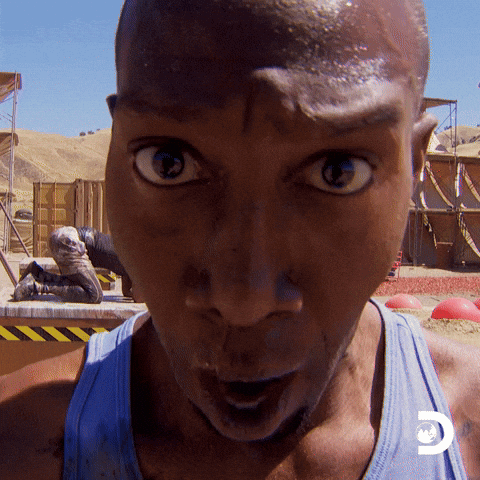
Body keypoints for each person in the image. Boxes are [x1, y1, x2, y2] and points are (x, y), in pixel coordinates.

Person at [1, 0, 479, 478]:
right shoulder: (18, 445)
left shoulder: (469, 423)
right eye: (168, 163)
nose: (244, 303)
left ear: (415, 164)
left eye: (338, 172)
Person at [12, 226, 133, 303]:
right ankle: (36, 285)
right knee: (94, 295)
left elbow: (126, 291)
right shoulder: (139, 266)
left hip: (65, 236)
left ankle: (37, 273)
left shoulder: (133, 258)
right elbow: (139, 297)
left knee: (73, 285)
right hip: (71, 244)